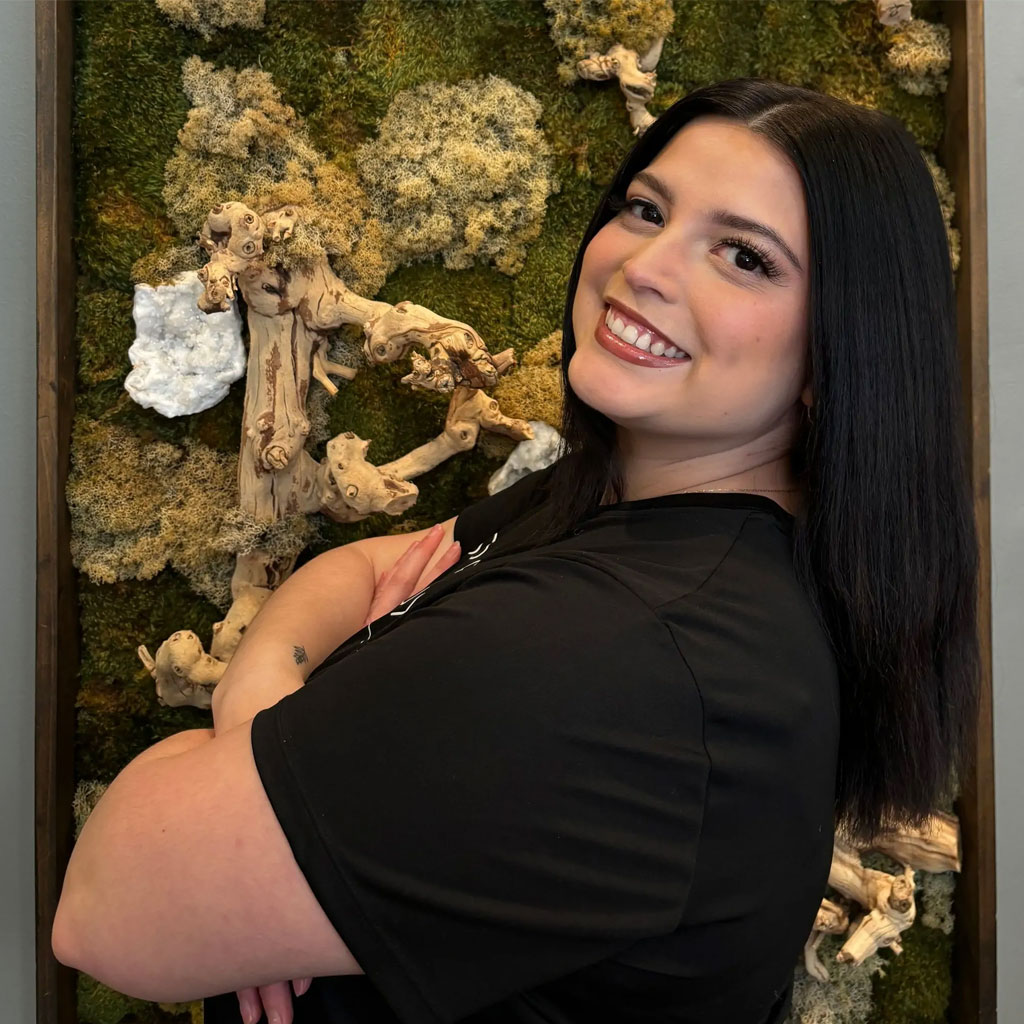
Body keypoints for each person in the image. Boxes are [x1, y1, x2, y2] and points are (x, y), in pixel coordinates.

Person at [53, 77, 980, 1024]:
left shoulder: (627, 654)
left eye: (744, 256)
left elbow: (107, 903)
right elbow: (366, 568)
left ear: (840, 353)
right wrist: (260, 711)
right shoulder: (625, 504)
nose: (647, 266)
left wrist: (262, 765)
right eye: (646, 209)